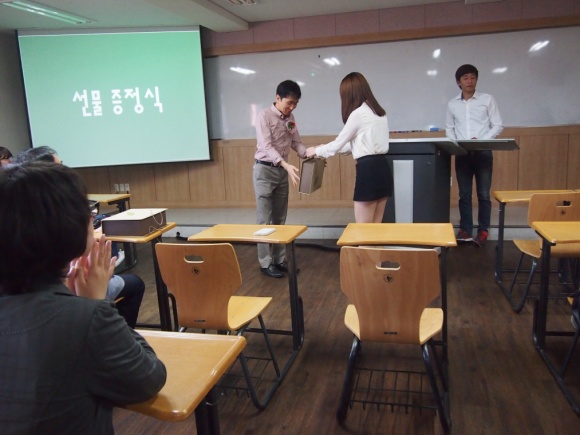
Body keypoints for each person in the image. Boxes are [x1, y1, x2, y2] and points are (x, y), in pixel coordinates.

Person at [0, 162, 166, 433]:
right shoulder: (85, 318)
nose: (92, 219)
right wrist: (98, 304)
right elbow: (150, 378)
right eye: (88, 212)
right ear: (67, 227)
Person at [14, 146, 145, 328]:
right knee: (135, 284)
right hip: (73, 292)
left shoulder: (17, 214)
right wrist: (95, 305)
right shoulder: (59, 220)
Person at [306, 72, 391, 223]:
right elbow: (355, 145)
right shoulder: (379, 112)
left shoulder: (358, 114)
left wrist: (315, 150)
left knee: (363, 230)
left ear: (349, 94)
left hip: (368, 172)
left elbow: (338, 143)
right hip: (383, 169)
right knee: (376, 228)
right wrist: (324, 148)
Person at [253, 79, 308, 278]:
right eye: (289, 103)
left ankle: (279, 259)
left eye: (295, 104)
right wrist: (285, 164)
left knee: (279, 218)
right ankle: (265, 263)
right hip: (265, 171)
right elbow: (266, 146)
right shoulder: (263, 116)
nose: (292, 107)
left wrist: (310, 153)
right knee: (264, 220)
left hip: (283, 171)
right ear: (278, 98)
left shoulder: (290, 118)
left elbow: (296, 143)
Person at [446, 64, 503, 247]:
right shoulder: (452, 104)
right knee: (464, 195)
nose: (470, 81)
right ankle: (465, 230)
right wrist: (456, 144)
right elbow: (450, 128)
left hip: (483, 152)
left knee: (484, 194)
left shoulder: (487, 99)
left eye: (473, 77)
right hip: (462, 153)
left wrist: (482, 141)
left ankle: (483, 230)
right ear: (459, 82)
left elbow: (498, 125)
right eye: (465, 78)